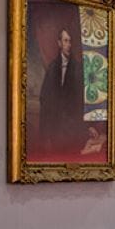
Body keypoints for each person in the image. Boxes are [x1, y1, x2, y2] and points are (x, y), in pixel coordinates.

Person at [36, 26, 84, 157]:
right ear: (59, 43)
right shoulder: (52, 67)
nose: (68, 45)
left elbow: (81, 100)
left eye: (70, 41)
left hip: (72, 127)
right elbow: (44, 98)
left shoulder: (78, 68)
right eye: (65, 41)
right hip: (55, 126)